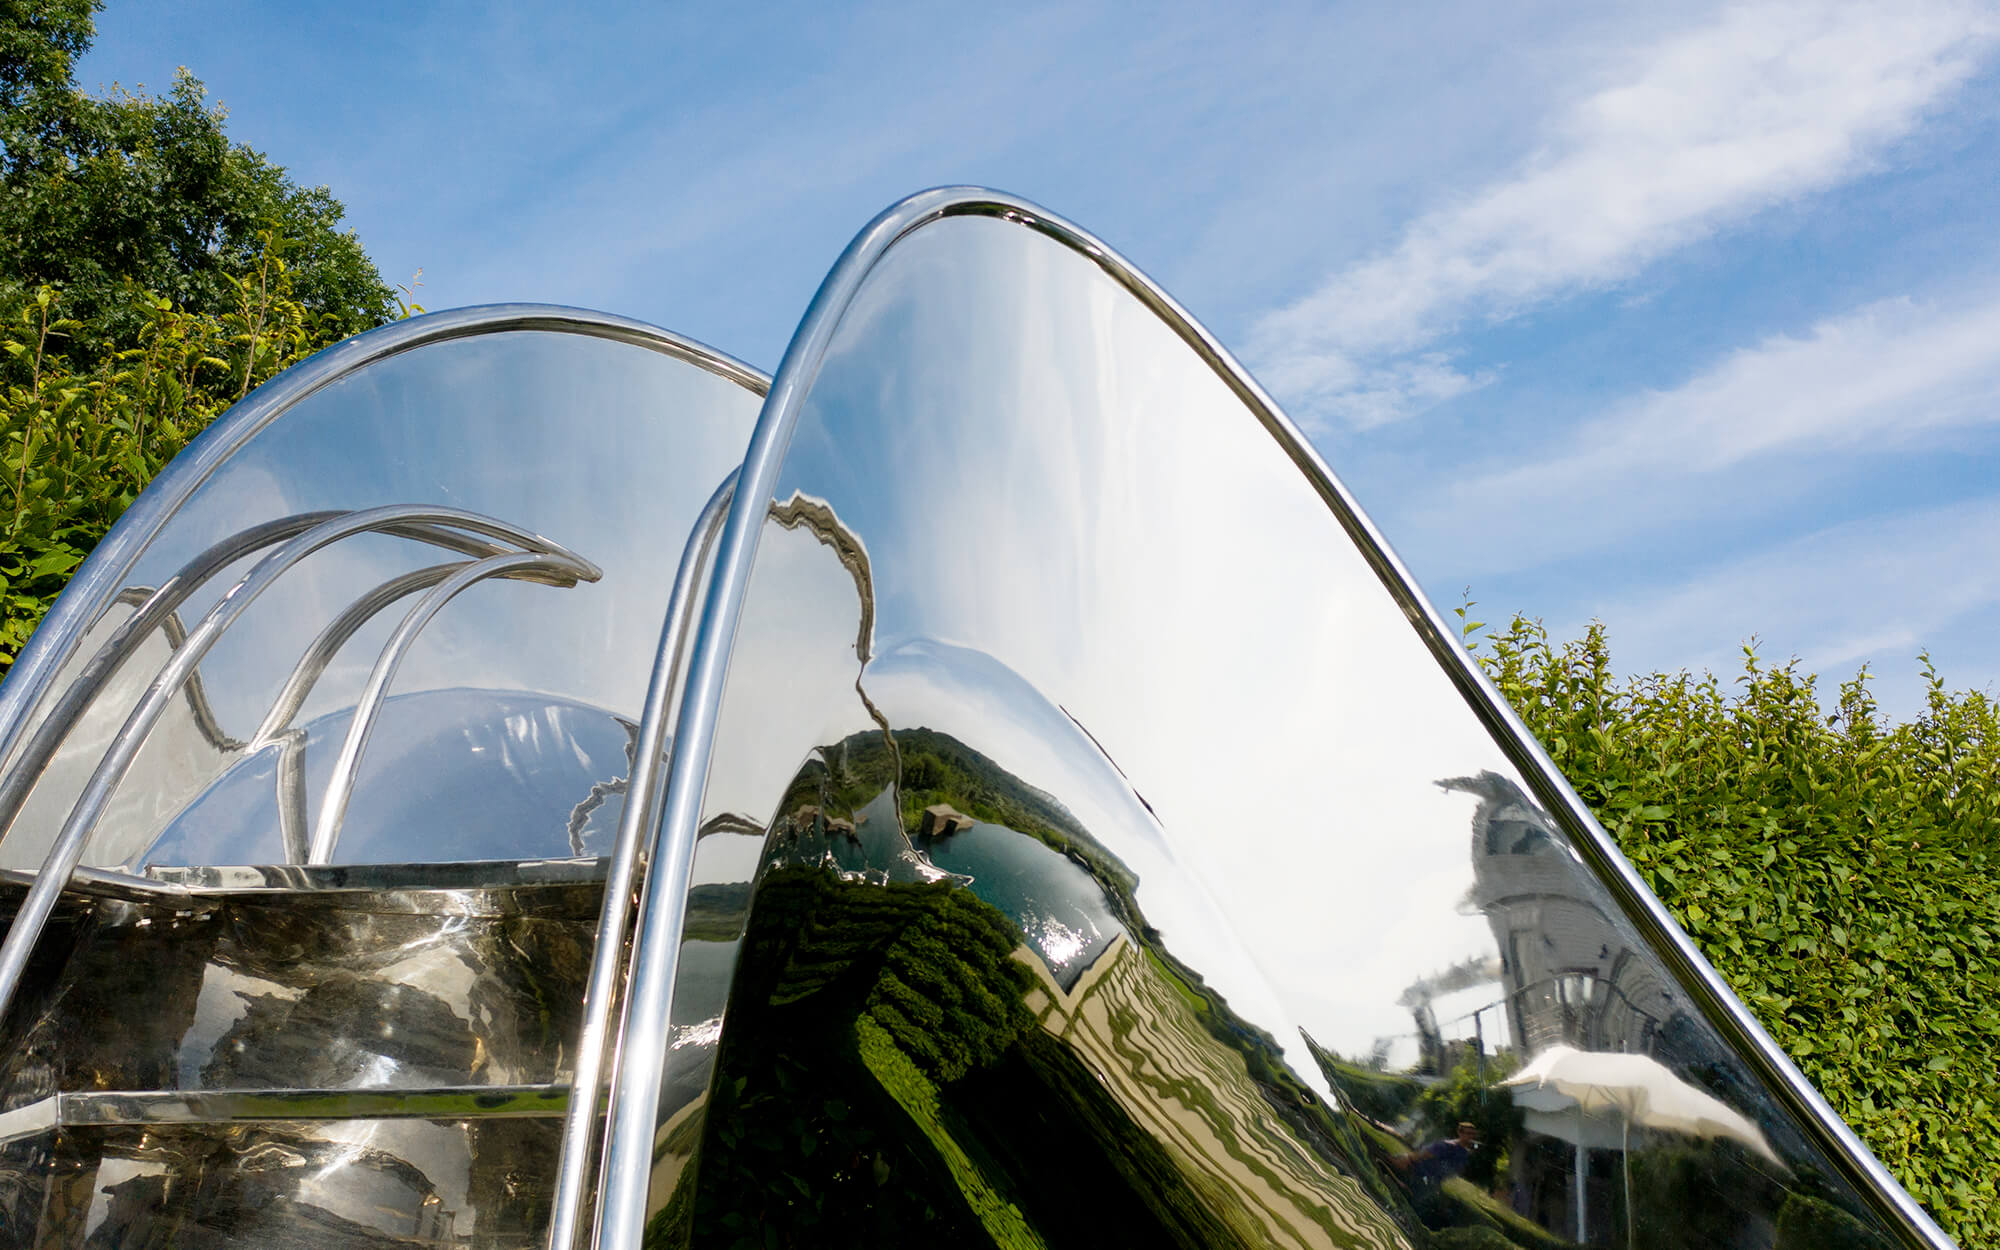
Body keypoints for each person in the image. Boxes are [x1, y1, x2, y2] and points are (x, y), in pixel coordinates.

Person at [1393, 1121, 1479, 1195]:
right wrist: (1407, 1159)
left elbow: (1448, 1173)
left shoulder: (1464, 1154)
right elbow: (1420, 1156)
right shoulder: (1447, 1146)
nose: (1471, 1136)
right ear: (1460, 1133)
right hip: (1416, 1175)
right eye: (1469, 1133)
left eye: (1473, 1134)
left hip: (1429, 1184)